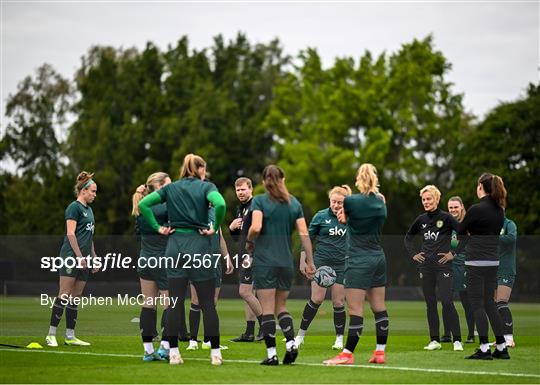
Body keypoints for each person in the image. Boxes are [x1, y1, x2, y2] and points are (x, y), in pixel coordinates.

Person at [138, 154, 226, 366]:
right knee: (207, 304)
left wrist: (159, 228)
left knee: (174, 302)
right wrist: (214, 227)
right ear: (201, 169)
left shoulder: (171, 188)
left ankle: (174, 353)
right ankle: (215, 353)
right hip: (198, 247)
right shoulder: (206, 187)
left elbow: (144, 205)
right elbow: (221, 204)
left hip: (174, 248)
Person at [246, 165, 315, 365]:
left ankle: (271, 355)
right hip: (285, 262)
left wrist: (250, 242)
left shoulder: (259, 200)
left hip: (265, 262)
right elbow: (304, 234)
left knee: (267, 309)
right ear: (283, 179)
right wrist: (310, 261)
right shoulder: (294, 203)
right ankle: (291, 343)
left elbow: (256, 227)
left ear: (263, 181)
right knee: (281, 307)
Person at [323, 163, 389, 365]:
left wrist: (346, 218)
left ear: (358, 179)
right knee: (379, 307)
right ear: (375, 178)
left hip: (358, 258)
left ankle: (347, 354)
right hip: (378, 257)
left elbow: (342, 219)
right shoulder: (381, 201)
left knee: (355, 310)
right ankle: (379, 352)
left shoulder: (351, 200)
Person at [456, 172, 509, 360]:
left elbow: (460, 232)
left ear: (480, 187)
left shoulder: (476, 209)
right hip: (493, 261)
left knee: (477, 304)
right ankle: (502, 346)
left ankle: (485, 348)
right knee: (490, 304)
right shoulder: (500, 210)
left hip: (475, 262)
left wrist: (466, 233)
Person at [404, 185, 463, 352]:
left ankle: (457, 340)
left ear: (436, 199)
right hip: (426, 267)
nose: (426, 202)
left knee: (447, 301)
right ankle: (434, 340)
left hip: (444, 266)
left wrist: (453, 253)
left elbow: (464, 235)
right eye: (423, 199)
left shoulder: (446, 217)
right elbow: (408, 238)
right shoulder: (421, 219)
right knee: (430, 303)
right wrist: (414, 254)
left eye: (429, 199)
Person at [294, 185, 351, 350]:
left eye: (340, 202)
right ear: (330, 201)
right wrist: (303, 261)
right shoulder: (320, 216)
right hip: (321, 262)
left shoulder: (350, 218)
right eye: (334, 201)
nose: (336, 205)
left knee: (338, 302)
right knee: (317, 299)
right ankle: (300, 336)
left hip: (342, 264)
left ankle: (339, 339)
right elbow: (307, 239)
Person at [46, 171, 99, 347]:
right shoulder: (74, 207)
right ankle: (51, 334)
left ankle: (70, 336)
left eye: (95, 191)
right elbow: (70, 233)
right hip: (71, 257)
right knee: (64, 294)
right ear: (83, 190)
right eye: (92, 191)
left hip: (84, 259)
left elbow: (89, 237)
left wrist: (94, 258)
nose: (94, 194)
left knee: (75, 297)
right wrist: (79, 257)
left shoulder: (90, 210)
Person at [132, 172, 172, 361]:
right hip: (163, 261)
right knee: (170, 305)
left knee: (148, 305)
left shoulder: (140, 209)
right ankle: (164, 347)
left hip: (145, 259)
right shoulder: (164, 208)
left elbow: (138, 235)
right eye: (168, 185)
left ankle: (148, 351)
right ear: (158, 187)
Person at [187, 206, 234, 351]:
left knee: (212, 303)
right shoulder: (192, 211)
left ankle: (208, 340)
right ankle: (193, 340)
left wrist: (227, 258)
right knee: (196, 301)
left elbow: (220, 238)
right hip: (198, 260)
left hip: (214, 262)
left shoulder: (216, 212)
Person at [229, 177, 263, 342]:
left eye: (243, 189)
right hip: (245, 254)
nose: (240, 192)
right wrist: (232, 228)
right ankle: (249, 332)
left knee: (244, 292)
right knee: (249, 293)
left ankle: (266, 327)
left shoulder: (255, 206)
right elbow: (237, 238)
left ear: (251, 189)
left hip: (254, 254)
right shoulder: (241, 209)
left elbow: (259, 230)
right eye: (238, 190)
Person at [443, 196, 475, 344]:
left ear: (462, 207)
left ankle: (470, 334)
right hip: (448, 265)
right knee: (446, 300)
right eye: (450, 208)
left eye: (456, 207)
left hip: (464, 265)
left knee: (466, 300)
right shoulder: (447, 223)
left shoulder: (469, 223)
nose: (453, 210)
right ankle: (447, 334)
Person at [495, 215, 517, 348]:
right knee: (493, 305)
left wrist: (492, 238)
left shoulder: (509, 224)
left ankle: (509, 338)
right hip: (492, 270)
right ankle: (500, 338)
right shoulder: (489, 224)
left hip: (506, 269)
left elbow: (511, 238)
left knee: (501, 302)